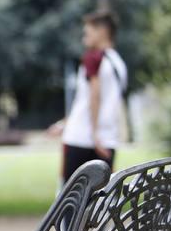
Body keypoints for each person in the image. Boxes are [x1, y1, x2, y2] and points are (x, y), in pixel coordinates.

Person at [49, 10, 127, 182]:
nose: (84, 36)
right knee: (100, 201)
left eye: (88, 32)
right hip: (107, 138)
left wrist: (94, 136)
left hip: (83, 139)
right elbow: (88, 103)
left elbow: (95, 96)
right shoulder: (118, 63)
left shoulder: (93, 58)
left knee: (70, 199)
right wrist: (65, 123)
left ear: (102, 31)